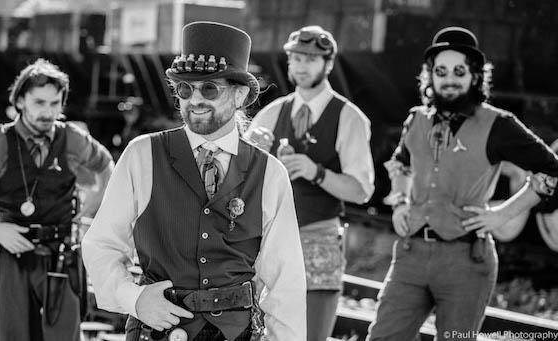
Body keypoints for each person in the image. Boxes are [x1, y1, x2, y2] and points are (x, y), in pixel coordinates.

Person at [82, 21, 306, 341]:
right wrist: (135, 299)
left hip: (234, 333)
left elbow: (286, 280)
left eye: (209, 88)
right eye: (185, 89)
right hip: (155, 329)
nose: (194, 99)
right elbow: (101, 244)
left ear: (240, 95)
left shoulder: (269, 172)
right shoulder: (142, 154)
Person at [367, 27, 558, 341]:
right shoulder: (417, 118)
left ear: (475, 76)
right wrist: (400, 200)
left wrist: (504, 214)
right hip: (411, 256)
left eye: (459, 71)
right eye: (441, 72)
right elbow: (401, 162)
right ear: (431, 77)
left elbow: (552, 170)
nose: (449, 79)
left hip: (466, 262)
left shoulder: (499, 124)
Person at [0, 58, 114, 341]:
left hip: (62, 256)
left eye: (55, 103)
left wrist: (93, 204)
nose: (48, 112)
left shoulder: (73, 139)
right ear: (20, 101)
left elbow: (106, 165)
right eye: (39, 102)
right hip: (12, 258)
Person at [245, 25, 375, 341]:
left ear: (328, 64)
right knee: (258, 333)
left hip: (318, 240)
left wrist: (315, 172)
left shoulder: (349, 117)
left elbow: (361, 191)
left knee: (311, 336)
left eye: (311, 59)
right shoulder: (272, 113)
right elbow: (241, 179)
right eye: (296, 58)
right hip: (268, 241)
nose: (302, 66)